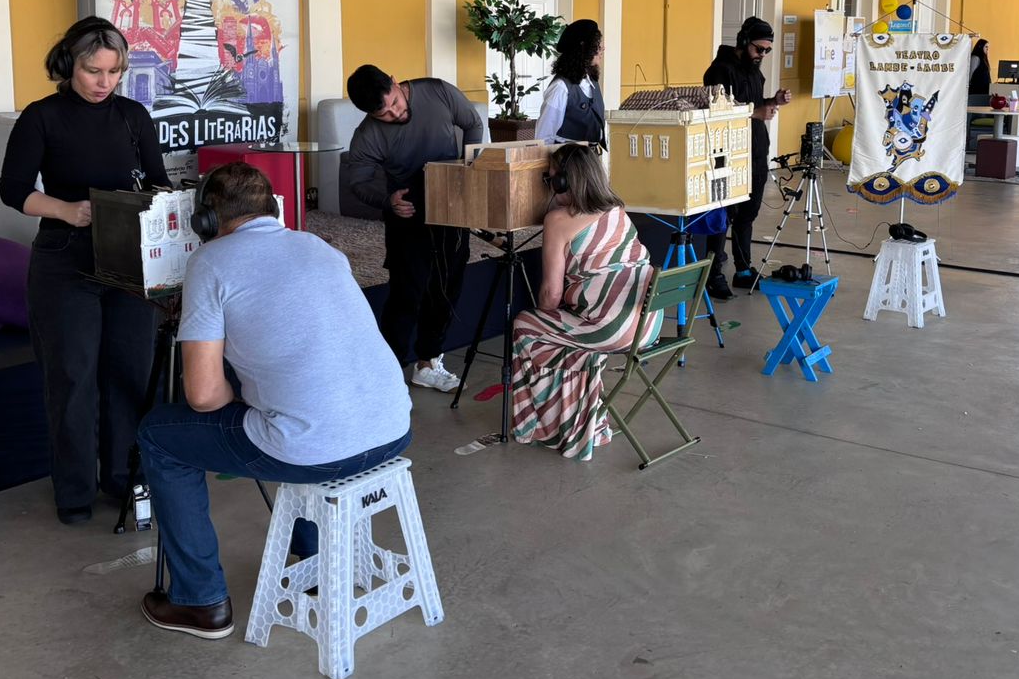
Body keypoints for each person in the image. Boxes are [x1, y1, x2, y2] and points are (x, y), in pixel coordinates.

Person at [136, 163, 411, 639]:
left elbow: (203, 396)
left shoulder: (211, 262)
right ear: (274, 210)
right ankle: (317, 560)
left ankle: (200, 601)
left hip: (317, 448)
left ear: (206, 221)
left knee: (159, 436)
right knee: (292, 412)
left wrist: (239, 396)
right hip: (392, 429)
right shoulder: (319, 246)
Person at [0, 16, 169, 526]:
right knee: (72, 377)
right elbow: (13, 189)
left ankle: (123, 479)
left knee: (130, 373)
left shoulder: (134, 116)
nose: (104, 82)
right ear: (69, 65)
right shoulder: (41, 117)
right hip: (64, 259)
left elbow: (158, 181)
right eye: (94, 71)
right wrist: (66, 210)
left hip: (129, 261)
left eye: (114, 72)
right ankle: (74, 491)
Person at [508, 144, 660, 461]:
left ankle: (552, 424)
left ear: (563, 182)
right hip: (648, 324)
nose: (549, 184)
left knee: (526, 326)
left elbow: (551, 295)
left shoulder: (558, 220)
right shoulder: (617, 211)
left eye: (550, 178)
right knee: (566, 337)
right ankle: (579, 414)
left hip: (613, 330)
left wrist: (549, 322)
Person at [345, 65, 485, 391]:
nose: (395, 114)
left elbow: (473, 123)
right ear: (370, 115)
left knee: (447, 287)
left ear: (395, 82)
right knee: (406, 293)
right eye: (384, 114)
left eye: (395, 102)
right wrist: (387, 200)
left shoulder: (438, 92)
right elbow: (358, 182)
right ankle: (389, 372)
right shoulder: (367, 135)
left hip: (451, 202)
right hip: (406, 209)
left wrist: (470, 166)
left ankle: (428, 362)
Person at [702, 17, 790, 298]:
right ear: (743, 42)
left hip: (756, 151)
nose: (762, 55)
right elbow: (716, 111)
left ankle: (743, 270)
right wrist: (755, 112)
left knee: (748, 214)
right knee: (723, 215)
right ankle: (712, 274)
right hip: (728, 153)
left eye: (767, 50)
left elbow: (754, 104)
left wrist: (773, 101)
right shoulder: (720, 70)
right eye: (758, 49)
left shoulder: (754, 71)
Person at [536, 19, 605, 146]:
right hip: (567, 157)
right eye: (597, 45)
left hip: (591, 156)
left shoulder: (592, 82)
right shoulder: (560, 87)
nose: (603, 49)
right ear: (584, 49)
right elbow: (543, 138)